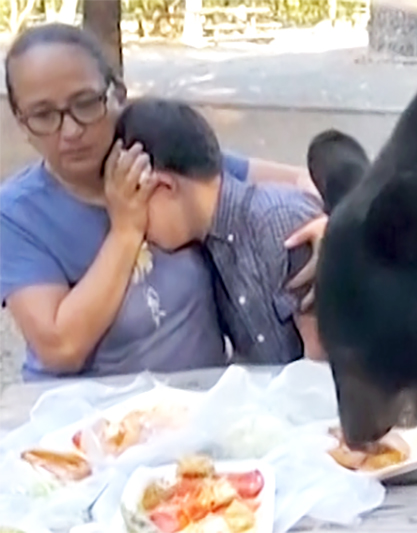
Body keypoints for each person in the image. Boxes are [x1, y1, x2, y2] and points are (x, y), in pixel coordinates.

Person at [0, 23, 327, 381]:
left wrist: (330, 226)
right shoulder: (18, 214)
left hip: (198, 406)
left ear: (117, 95)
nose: (71, 130)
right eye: (44, 115)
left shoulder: (159, 152)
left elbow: (302, 180)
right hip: (86, 418)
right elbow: (60, 348)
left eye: (85, 103)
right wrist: (125, 232)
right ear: (22, 123)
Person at [115, 97, 325, 363]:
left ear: (163, 186)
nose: (137, 226)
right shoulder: (210, 246)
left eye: (133, 202)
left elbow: (321, 367)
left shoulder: (279, 224)